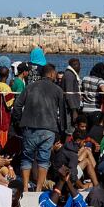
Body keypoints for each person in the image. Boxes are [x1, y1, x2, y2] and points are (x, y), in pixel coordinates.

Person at [14, 62, 67, 192]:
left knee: (27, 158)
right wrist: (62, 131)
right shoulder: (58, 90)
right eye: (54, 73)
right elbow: (63, 113)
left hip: (29, 127)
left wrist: (19, 121)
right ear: (51, 73)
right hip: (48, 129)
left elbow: (17, 105)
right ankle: (38, 189)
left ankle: (25, 188)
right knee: (44, 160)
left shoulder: (30, 87)